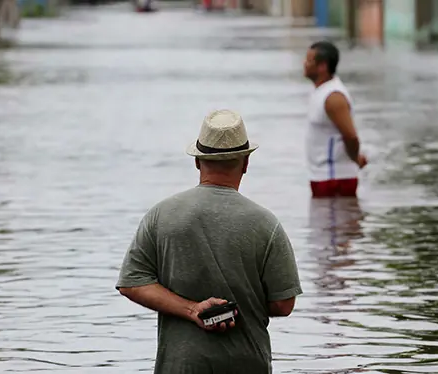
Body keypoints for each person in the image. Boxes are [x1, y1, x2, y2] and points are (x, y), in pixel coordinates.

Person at [116, 109, 303, 374]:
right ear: (246, 162)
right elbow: (283, 304)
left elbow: (132, 283)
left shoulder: (161, 215)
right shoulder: (266, 224)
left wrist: (193, 309)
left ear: (197, 161)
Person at [303, 41, 367, 198]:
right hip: (323, 176)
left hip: (335, 178)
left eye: (309, 60)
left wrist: (356, 159)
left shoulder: (334, 97)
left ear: (322, 66)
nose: (304, 64)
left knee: (339, 222)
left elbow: (351, 136)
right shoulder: (320, 91)